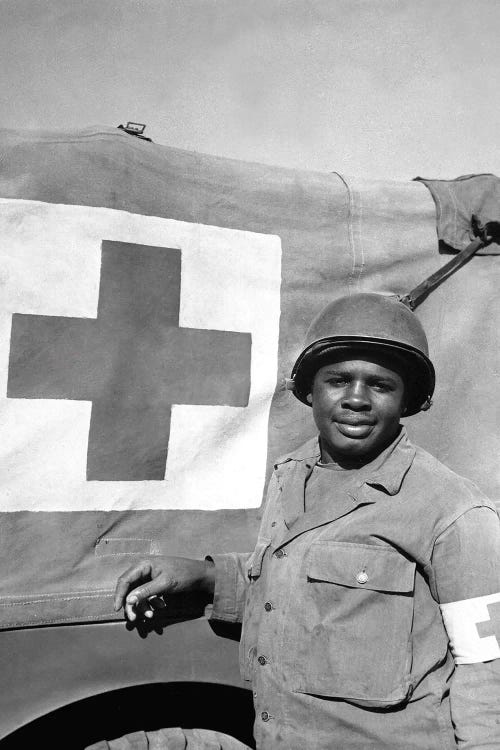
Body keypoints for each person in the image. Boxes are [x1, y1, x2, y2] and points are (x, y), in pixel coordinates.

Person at [114, 293, 500, 750]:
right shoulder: (291, 476)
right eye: (338, 380)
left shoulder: (453, 511)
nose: (356, 399)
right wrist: (206, 577)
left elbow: (489, 666)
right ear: (310, 391)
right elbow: (299, 588)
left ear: (408, 400)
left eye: (380, 385)